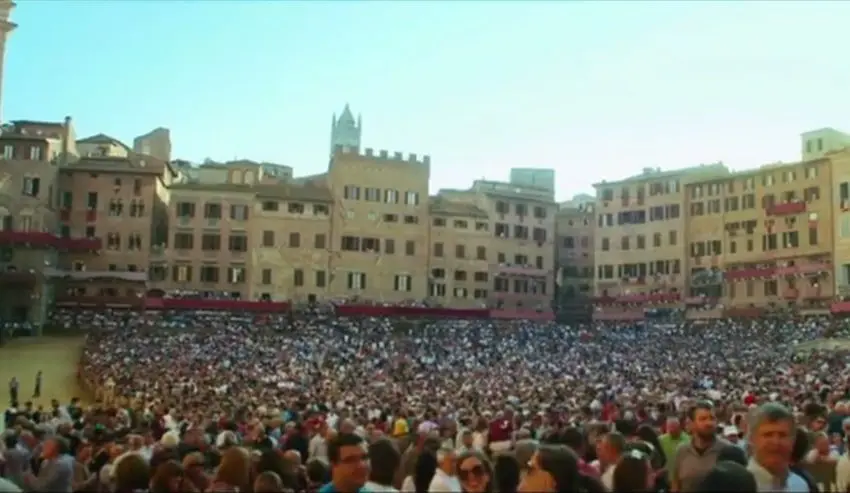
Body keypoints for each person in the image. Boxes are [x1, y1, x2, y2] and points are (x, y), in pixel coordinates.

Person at [746, 403, 809, 492]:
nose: (776, 442)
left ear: (793, 440)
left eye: (782, 435)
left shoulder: (800, 485)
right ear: (752, 439)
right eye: (768, 435)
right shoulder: (737, 487)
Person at [671, 401, 728, 493]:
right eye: (703, 419)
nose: (709, 423)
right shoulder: (682, 451)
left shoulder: (728, 450)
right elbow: (676, 485)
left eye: (712, 418)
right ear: (692, 423)